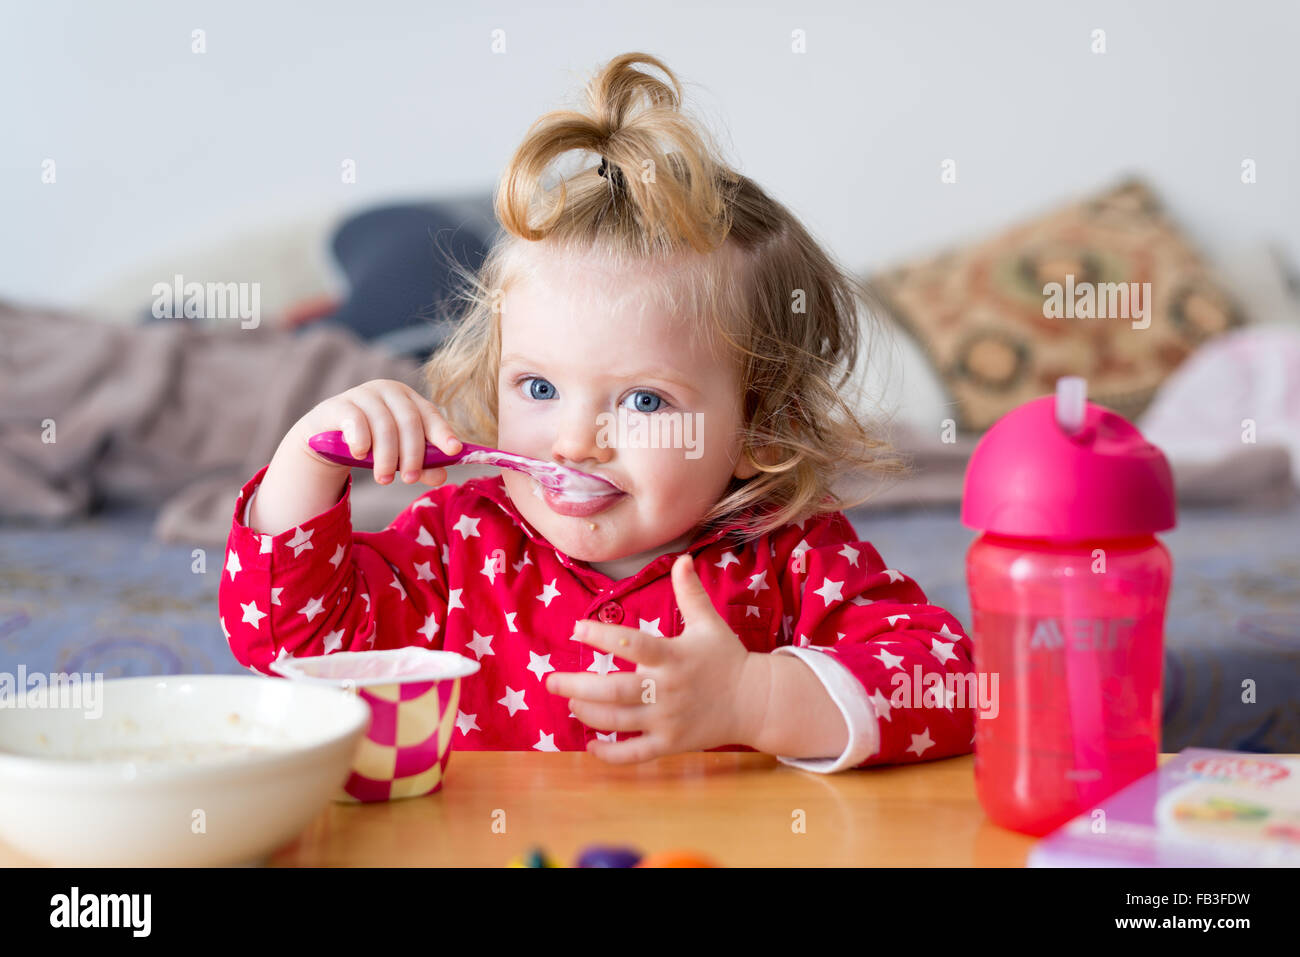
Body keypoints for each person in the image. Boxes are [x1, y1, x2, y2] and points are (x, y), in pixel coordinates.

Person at [218, 52, 975, 772]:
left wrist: (757, 697)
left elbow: (947, 688)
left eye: (644, 400)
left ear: (759, 426)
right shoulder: (456, 547)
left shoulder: (792, 559)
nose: (576, 441)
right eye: (539, 389)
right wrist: (306, 462)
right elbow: (287, 644)